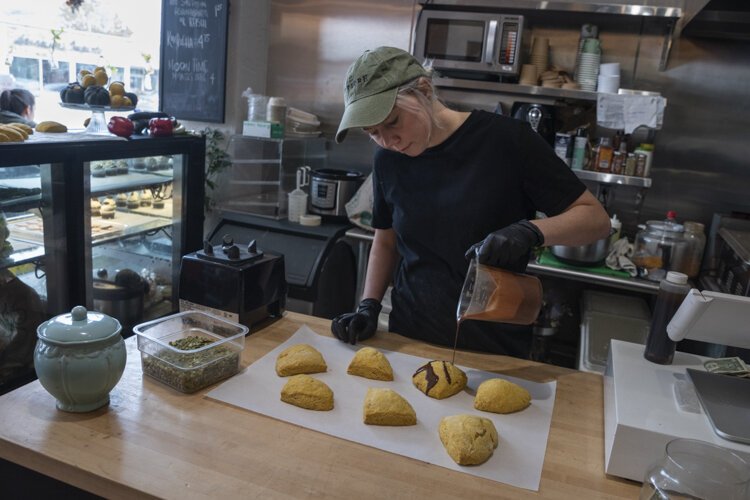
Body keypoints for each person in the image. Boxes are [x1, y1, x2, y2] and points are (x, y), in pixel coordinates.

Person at [330, 46, 611, 358]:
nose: (387, 141)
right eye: (373, 132)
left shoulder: (507, 141)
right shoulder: (387, 160)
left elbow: (595, 220)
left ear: (424, 90)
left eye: (392, 122)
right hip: (410, 340)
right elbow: (385, 240)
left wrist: (530, 231)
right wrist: (368, 305)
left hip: (495, 349)